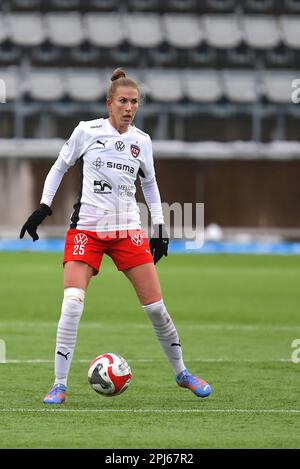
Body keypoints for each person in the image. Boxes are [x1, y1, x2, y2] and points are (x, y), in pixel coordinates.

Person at [20, 68, 211, 403]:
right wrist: (44, 207)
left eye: (134, 102)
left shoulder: (141, 141)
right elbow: (60, 166)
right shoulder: (87, 131)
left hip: (127, 233)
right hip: (87, 232)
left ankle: (182, 373)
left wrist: (160, 227)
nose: (129, 107)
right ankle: (59, 385)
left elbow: (149, 183)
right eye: (123, 101)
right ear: (109, 104)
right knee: (72, 305)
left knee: (156, 308)